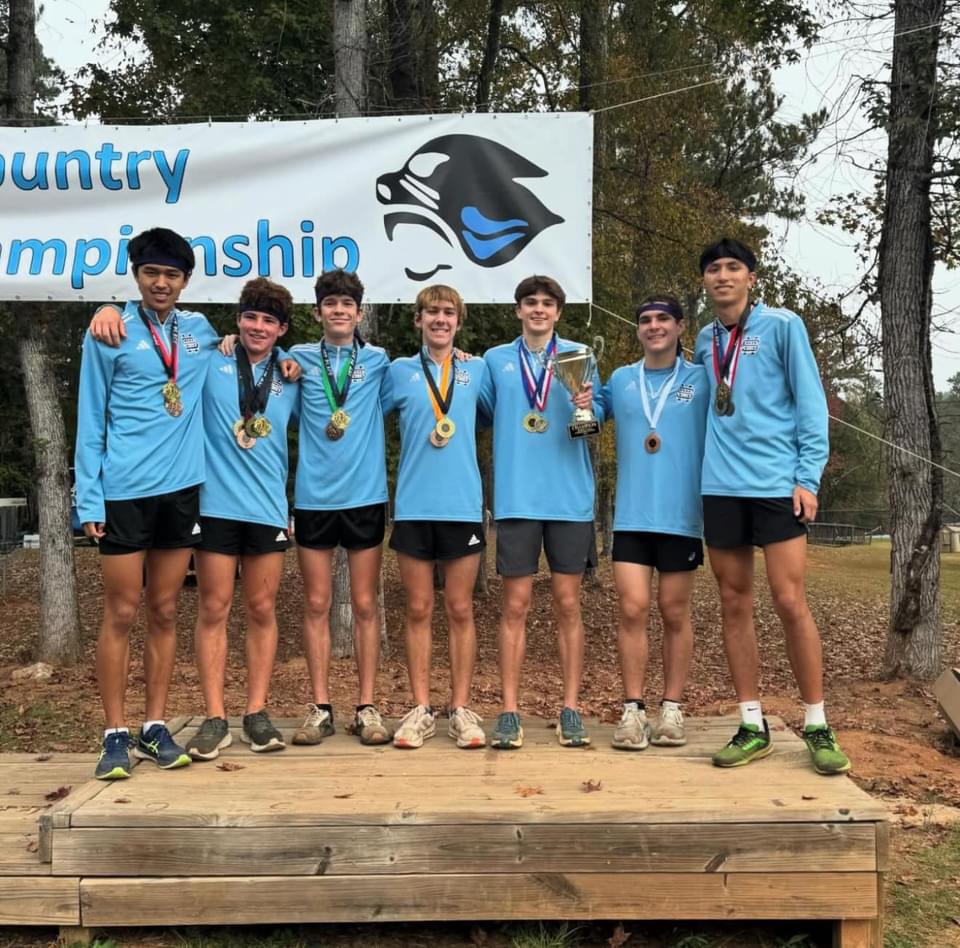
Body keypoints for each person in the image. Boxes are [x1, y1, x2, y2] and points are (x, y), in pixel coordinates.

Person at [694, 237, 850, 775]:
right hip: (721, 488)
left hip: (777, 486)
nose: (723, 276)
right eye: (713, 269)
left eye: (733, 267)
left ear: (751, 278)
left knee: (789, 601)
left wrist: (807, 477)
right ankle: (751, 722)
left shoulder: (783, 327)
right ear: (705, 282)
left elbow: (811, 406)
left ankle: (816, 722)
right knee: (734, 603)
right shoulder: (703, 339)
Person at [76, 227, 217, 779]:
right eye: (152, 273)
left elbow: (241, 353)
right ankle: (113, 733)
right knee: (122, 612)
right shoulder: (109, 331)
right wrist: (89, 495)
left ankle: (154, 726)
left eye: (172, 275)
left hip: (181, 493)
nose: (162, 283)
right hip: (123, 492)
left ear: (185, 281)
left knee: (163, 611)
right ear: (136, 275)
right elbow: (91, 418)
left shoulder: (201, 331)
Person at [481, 275, 601, 750]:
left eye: (546, 304)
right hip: (516, 499)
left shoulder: (576, 356)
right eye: (529, 302)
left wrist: (586, 410)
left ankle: (570, 708)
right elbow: (477, 409)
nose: (538, 310)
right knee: (515, 606)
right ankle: (509, 711)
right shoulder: (494, 360)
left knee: (568, 605)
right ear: (518, 311)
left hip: (569, 499)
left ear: (558, 312)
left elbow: (589, 429)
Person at [184, 278, 299, 760]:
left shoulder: (294, 371)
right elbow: (173, 334)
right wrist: (108, 310)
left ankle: (255, 711)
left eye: (268, 320)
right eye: (251, 317)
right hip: (214, 506)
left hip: (267, 508)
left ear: (281, 328)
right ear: (238, 319)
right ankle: (214, 717)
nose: (257, 327)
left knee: (261, 609)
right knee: (213, 608)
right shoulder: (212, 357)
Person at [288, 270, 393, 746]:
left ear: (359, 312)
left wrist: (462, 356)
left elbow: (417, 390)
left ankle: (367, 706)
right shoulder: (297, 360)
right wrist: (229, 340)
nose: (339, 311)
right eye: (330, 304)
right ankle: (320, 706)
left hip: (365, 497)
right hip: (314, 498)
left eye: (347, 304)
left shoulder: (378, 361)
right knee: (316, 603)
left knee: (367, 603)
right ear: (318, 312)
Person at [382, 285, 489, 749]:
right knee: (419, 608)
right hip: (413, 505)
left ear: (459, 322)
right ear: (418, 321)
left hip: (462, 504)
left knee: (460, 608)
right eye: (432, 312)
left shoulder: (477, 369)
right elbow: (359, 413)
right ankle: (421, 707)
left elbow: (496, 416)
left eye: (449, 312)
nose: (440, 319)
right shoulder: (398, 372)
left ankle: (460, 709)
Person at [600, 296, 708, 750]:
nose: (653, 326)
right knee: (631, 608)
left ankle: (672, 708)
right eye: (645, 319)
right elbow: (582, 425)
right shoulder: (622, 380)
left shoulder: (702, 379)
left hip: (682, 517)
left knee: (674, 611)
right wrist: (576, 404)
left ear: (681, 326)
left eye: (663, 318)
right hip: (631, 516)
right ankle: (631, 709)